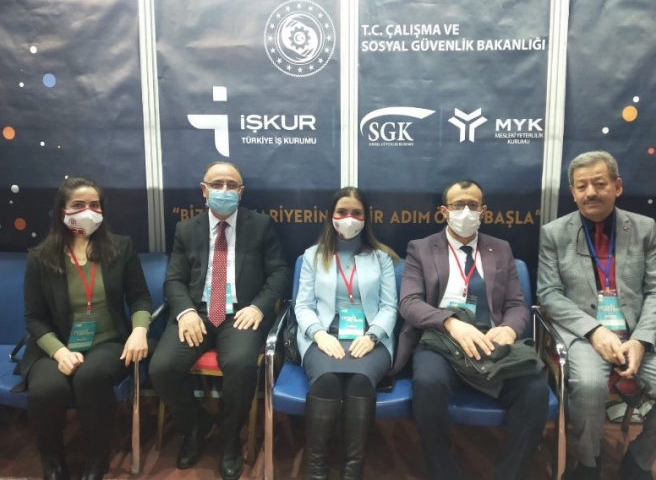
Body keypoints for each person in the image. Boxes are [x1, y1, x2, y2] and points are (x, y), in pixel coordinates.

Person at [537, 150, 656, 480]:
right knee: (588, 386)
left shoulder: (643, 228)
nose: (590, 192)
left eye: (599, 183)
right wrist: (594, 331)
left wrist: (641, 340)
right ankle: (588, 462)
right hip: (586, 334)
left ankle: (638, 460)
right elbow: (549, 294)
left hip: (640, 331)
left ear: (617, 186)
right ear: (573, 192)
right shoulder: (554, 233)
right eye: (581, 186)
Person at [393, 179, 549, 480]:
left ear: (483, 211)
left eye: (473, 205)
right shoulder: (421, 249)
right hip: (441, 339)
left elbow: (516, 304)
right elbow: (409, 303)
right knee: (427, 384)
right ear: (443, 211)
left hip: (491, 338)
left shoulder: (500, 249)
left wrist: (509, 330)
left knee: (535, 390)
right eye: (458, 205)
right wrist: (451, 323)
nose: (466, 211)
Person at [149, 161, 289, 480]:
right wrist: (185, 312)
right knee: (162, 368)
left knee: (240, 365)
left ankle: (230, 440)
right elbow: (174, 280)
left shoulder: (261, 225)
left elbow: (280, 272)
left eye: (231, 185)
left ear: (241, 192)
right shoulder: (187, 229)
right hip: (197, 312)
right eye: (217, 184)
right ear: (204, 190)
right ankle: (195, 425)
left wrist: (259, 307)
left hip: (240, 313)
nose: (224, 190)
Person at [16, 176, 152, 480]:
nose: (87, 211)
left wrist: (139, 330)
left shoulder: (120, 247)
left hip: (108, 341)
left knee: (91, 378)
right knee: (47, 389)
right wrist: (59, 352)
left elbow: (140, 297)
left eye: (94, 205)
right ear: (62, 210)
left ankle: (96, 459)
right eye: (78, 205)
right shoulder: (40, 257)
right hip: (56, 344)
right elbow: (34, 317)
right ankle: (52, 461)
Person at [294, 187, 399, 480]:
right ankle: (317, 470)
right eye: (342, 212)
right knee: (326, 380)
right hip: (323, 335)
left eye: (356, 212)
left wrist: (373, 335)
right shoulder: (313, 256)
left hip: (371, 337)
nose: (349, 218)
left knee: (360, 381)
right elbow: (302, 306)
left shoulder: (381, 258)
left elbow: (390, 307)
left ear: (366, 218)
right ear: (331, 216)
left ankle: (353, 471)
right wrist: (318, 334)